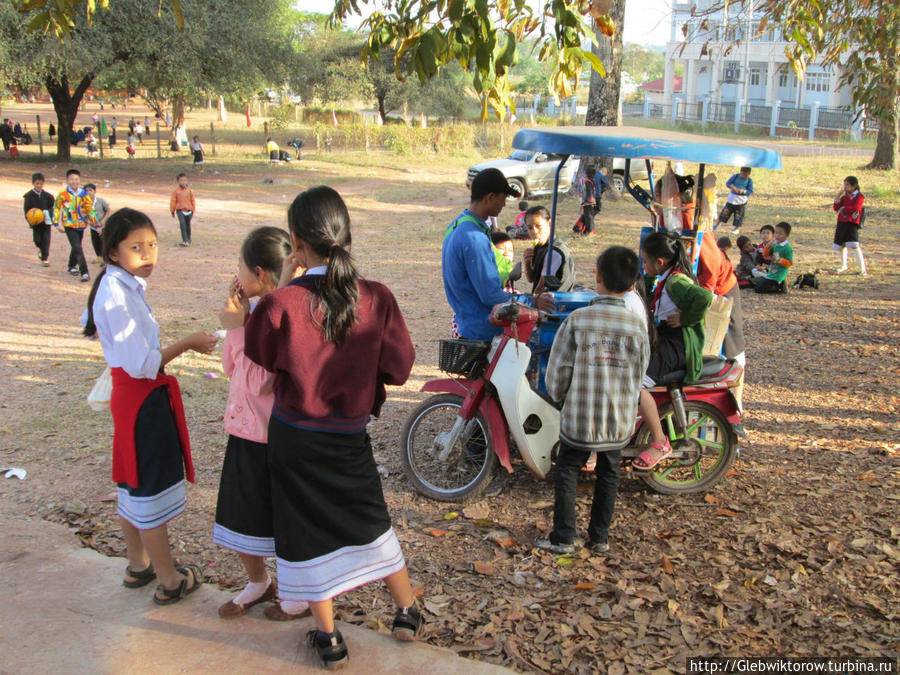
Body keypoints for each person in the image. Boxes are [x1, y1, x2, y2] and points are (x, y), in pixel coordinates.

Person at [243, 186, 421, 668]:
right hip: (347, 434)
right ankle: (406, 611)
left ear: (297, 243)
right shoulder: (376, 298)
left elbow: (259, 353)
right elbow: (400, 366)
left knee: (303, 530)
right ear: (346, 235)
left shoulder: (281, 303)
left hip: (293, 435)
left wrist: (282, 281)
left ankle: (330, 638)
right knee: (370, 518)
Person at [83, 207, 217, 605]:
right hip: (140, 397)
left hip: (131, 397)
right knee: (147, 488)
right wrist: (187, 344)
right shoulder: (116, 295)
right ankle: (169, 579)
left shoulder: (118, 286)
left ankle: (137, 564)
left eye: (153, 245)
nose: (148, 254)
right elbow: (143, 363)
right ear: (112, 253)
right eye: (136, 247)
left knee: (131, 479)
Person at [535, 246, 649, 555]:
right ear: (631, 285)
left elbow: (557, 372)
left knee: (568, 468)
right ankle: (600, 538)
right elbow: (640, 374)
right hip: (617, 420)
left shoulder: (577, 320)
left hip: (579, 418)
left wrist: (560, 400)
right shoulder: (637, 326)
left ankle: (564, 536)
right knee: (610, 473)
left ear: (597, 277)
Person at [214, 227, 293, 619]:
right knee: (241, 511)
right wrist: (237, 324)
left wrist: (236, 328)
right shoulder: (255, 312)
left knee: (280, 515)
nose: (236, 274)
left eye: (240, 267)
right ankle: (258, 582)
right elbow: (231, 366)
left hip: (270, 434)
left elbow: (260, 380)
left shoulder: (276, 313)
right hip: (244, 429)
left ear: (259, 274)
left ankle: (296, 592)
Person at [633, 232, 713, 470]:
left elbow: (705, 297)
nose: (643, 265)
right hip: (667, 339)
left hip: (677, 345)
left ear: (660, 262)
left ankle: (659, 441)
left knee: (634, 383)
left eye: (645, 261)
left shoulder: (677, 282)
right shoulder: (667, 279)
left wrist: (687, 319)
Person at [442, 168, 524, 341]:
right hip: (482, 328)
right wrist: (526, 303)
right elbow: (490, 295)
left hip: (466, 321)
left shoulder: (457, 224)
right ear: (490, 197)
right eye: (503, 199)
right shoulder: (474, 237)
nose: (503, 204)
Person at [54, 168, 97, 282]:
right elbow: (57, 208)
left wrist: (96, 224)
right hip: (68, 224)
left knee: (76, 245)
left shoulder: (84, 194)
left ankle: (71, 265)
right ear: (67, 181)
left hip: (81, 224)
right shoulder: (62, 195)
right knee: (77, 246)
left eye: (76, 179)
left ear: (79, 180)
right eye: (72, 179)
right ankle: (84, 272)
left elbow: (90, 209)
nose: (74, 182)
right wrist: (56, 223)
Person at [522, 205, 575, 295]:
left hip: (556, 302)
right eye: (530, 228)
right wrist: (527, 262)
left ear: (549, 223)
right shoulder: (539, 246)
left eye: (538, 226)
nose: (534, 232)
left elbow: (539, 290)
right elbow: (531, 279)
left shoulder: (554, 252)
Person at [833, 175, 867, 275]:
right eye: (845, 185)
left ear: (854, 186)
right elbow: (836, 207)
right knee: (842, 244)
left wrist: (844, 208)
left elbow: (856, 208)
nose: (845, 187)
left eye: (847, 185)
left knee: (854, 245)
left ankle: (862, 269)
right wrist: (838, 196)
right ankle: (844, 265)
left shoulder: (859, 196)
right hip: (842, 222)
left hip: (851, 222)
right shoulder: (845, 197)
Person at [23, 172, 55, 267]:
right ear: (33, 183)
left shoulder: (48, 196)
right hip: (36, 223)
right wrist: (30, 220)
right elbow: (26, 210)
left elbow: (52, 206)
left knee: (46, 240)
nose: (39, 186)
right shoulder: (28, 196)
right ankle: (41, 249)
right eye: (37, 183)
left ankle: (44, 258)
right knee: (37, 240)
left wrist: (48, 213)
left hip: (46, 223)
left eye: (41, 184)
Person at [752, 221, 793, 293]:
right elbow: (764, 254)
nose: (777, 236)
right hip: (771, 273)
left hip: (778, 275)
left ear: (787, 235)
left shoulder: (788, 248)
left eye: (780, 234)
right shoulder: (775, 245)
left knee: (760, 289)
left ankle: (780, 286)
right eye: (776, 233)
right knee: (758, 286)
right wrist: (768, 246)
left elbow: (789, 263)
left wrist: (780, 260)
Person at [717, 167, 754, 235]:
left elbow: (750, 191)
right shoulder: (735, 176)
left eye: (746, 175)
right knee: (725, 212)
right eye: (742, 174)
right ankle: (717, 224)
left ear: (748, 174)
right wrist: (732, 187)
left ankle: (736, 228)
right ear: (740, 172)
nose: (743, 176)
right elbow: (728, 183)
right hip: (732, 198)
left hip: (741, 200)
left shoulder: (749, 181)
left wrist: (744, 191)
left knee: (739, 215)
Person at [84, 183, 110, 264]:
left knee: (103, 241)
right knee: (95, 242)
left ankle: (105, 258)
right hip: (93, 227)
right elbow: (83, 214)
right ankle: (99, 257)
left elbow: (108, 210)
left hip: (102, 226)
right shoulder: (84, 203)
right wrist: (88, 221)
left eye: (90, 190)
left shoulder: (100, 201)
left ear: (95, 191)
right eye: (86, 191)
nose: (88, 192)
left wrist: (104, 220)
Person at [169, 173, 196, 247]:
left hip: (189, 211)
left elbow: (192, 200)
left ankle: (188, 239)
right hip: (180, 210)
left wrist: (193, 209)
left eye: (185, 180)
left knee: (188, 225)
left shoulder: (189, 191)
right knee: (182, 224)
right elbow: (173, 201)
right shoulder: (176, 191)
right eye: (181, 180)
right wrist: (172, 210)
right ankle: (185, 240)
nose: (183, 182)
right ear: (178, 182)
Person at [575, 167, 596, 235]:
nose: (583, 174)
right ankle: (586, 230)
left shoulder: (588, 181)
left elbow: (589, 192)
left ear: (587, 174)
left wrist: (586, 201)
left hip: (588, 202)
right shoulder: (591, 180)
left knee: (588, 217)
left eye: (585, 173)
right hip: (590, 201)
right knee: (588, 216)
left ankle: (589, 231)